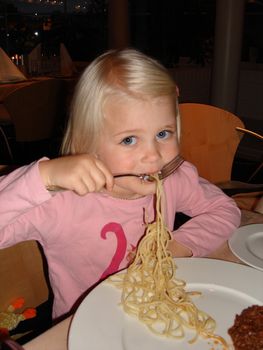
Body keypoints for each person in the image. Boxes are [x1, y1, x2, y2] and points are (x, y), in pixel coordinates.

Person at [0, 48, 240, 321]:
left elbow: (225, 210)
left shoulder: (173, 179)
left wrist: (180, 246)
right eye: (129, 140)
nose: (153, 156)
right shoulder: (61, 202)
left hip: (153, 313)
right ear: (85, 144)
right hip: (82, 326)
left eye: (163, 133)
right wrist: (43, 177)